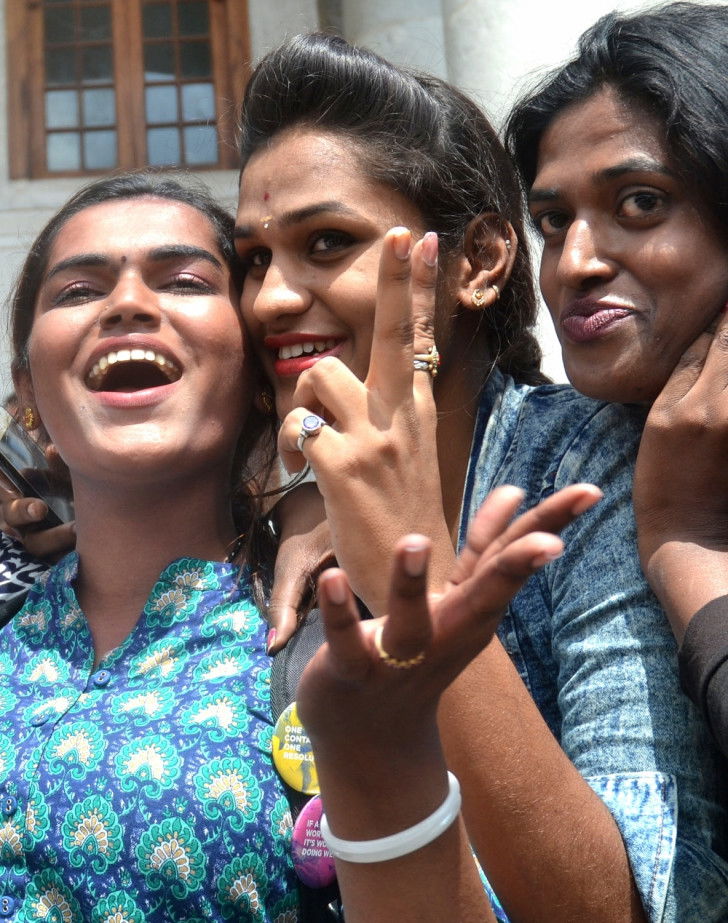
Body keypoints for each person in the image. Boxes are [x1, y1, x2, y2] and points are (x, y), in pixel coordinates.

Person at [0, 169, 601, 922]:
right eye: (78, 291)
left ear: (256, 373)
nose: (127, 304)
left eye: (184, 282)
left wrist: (385, 771)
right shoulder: (12, 609)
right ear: (29, 387)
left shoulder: (346, 645)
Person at [232, 33, 727, 922]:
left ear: (479, 262)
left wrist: (408, 555)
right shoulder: (275, 514)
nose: (270, 298)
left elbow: (646, 901)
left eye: (328, 242)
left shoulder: (590, 466)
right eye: (255, 259)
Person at [503, 3, 728, 759]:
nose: (574, 263)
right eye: (553, 221)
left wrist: (685, 540)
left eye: (641, 202)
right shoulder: (588, 453)